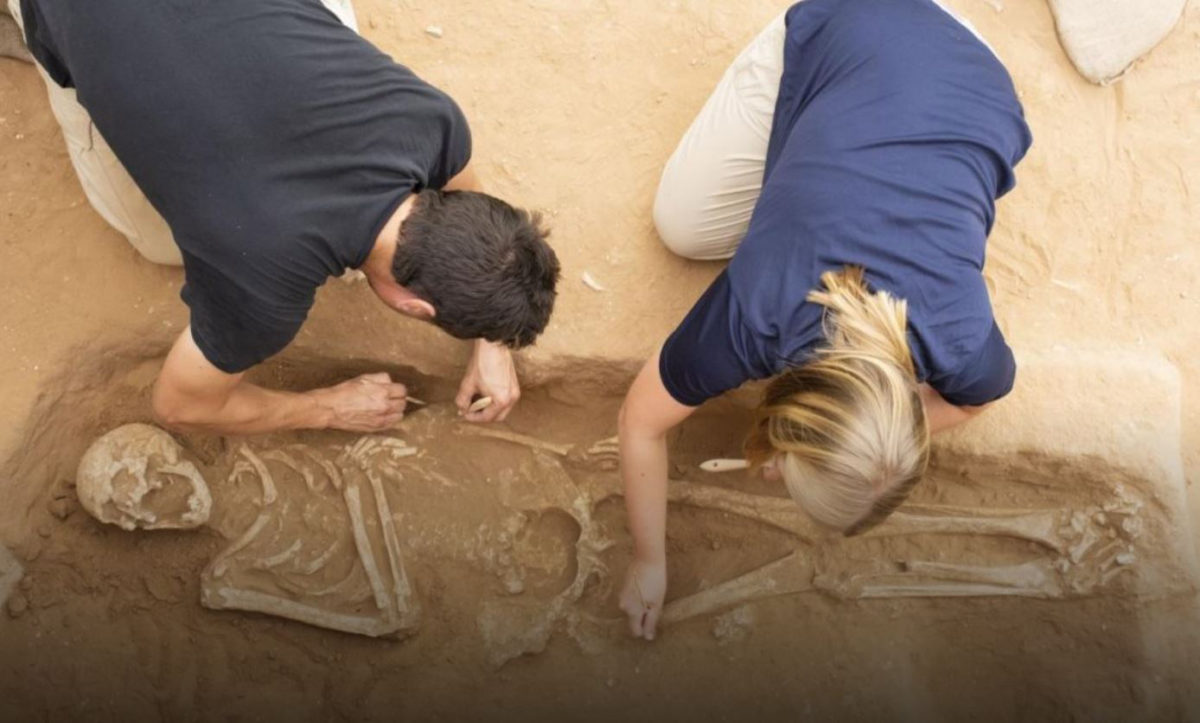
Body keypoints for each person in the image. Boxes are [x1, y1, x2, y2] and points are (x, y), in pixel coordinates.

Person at [618, 0, 1032, 640]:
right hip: (853, 24)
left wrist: (844, 440)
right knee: (685, 227)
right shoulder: (760, 311)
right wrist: (648, 562)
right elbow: (641, 421)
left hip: (973, 74)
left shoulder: (961, 338)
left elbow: (977, 401)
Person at [8, 0, 560, 434]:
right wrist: (328, 408)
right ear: (411, 306)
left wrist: (492, 340)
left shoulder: (432, 123)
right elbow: (179, 404)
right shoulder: (261, 288)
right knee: (161, 246)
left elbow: (471, 201)